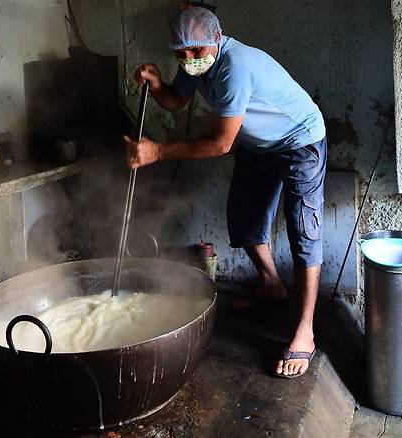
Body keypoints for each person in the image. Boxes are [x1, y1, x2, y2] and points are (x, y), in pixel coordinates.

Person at [125, 6, 326, 379]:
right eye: (180, 54)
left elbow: (220, 144)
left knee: (303, 233)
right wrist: (155, 83)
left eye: (197, 52)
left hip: (300, 141)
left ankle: (305, 332)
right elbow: (176, 100)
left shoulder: (235, 67)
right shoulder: (195, 64)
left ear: (216, 39)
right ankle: (271, 285)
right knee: (244, 218)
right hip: (259, 145)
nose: (188, 60)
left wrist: (158, 151)